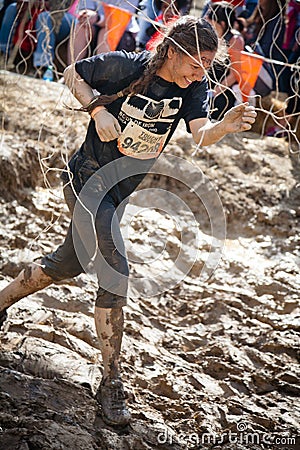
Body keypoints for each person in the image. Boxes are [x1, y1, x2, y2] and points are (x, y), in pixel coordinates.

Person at [0, 15, 256, 427]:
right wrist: (98, 109)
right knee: (115, 268)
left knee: (68, 264)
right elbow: (72, 74)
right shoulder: (129, 66)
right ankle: (112, 381)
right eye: (197, 61)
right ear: (173, 50)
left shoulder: (194, 88)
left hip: (117, 192)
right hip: (84, 179)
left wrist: (223, 127)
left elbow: (199, 134)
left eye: (208, 63)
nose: (201, 70)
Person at [205, 1, 247, 120]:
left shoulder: (235, 40)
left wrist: (213, 93)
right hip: (207, 85)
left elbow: (234, 74)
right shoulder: (209, 36)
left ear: (222, 24)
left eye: (211, 22)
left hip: (223, 90)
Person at [68, 0, 139, 63]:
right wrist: (86, 14)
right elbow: (85, 8)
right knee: (81, 27)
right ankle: (72, 71)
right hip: (95, 27)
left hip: (121, 34)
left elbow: (118, 20)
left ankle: (100, 74)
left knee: (105, 33)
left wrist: (98, 18)